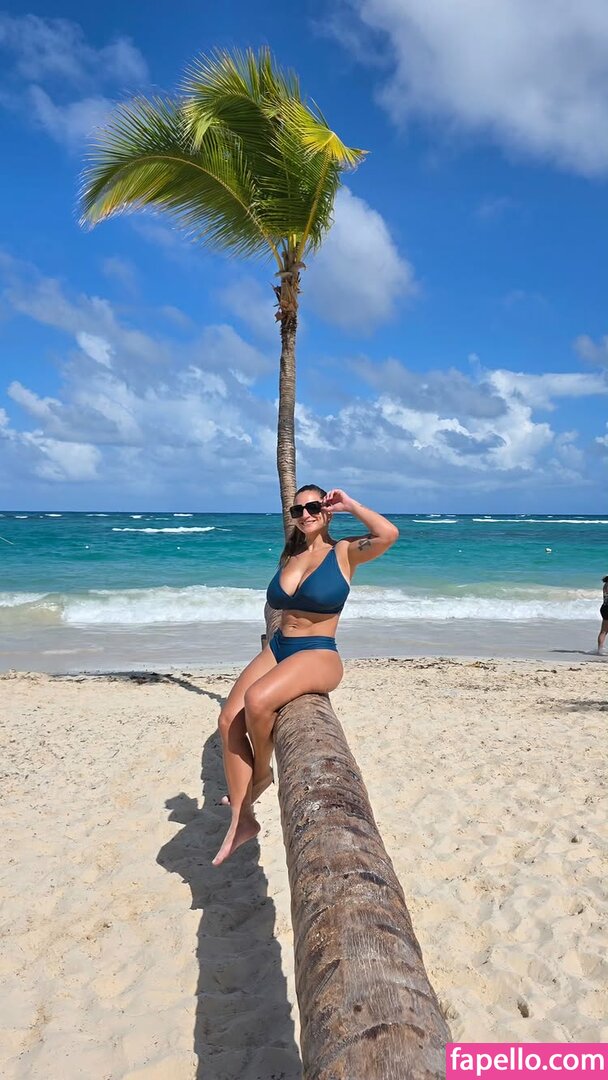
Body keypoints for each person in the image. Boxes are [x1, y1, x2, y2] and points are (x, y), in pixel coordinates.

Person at [212, 484, 399, 866]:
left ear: (326, 511)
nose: (305, 515)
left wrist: (350, 504)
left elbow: (388, 534)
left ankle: (261, 775)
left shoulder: (344, 552)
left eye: (313, 507)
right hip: (279, 646)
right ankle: (242, 819)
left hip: (318, 652)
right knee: (228, 719)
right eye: (298, 510)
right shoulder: (292, 556)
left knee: (257, 700)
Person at [597, 575, 608, 655]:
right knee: (604, 631)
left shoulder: (606, 584)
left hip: (604, 608)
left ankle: (600, 650)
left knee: (603, 631)